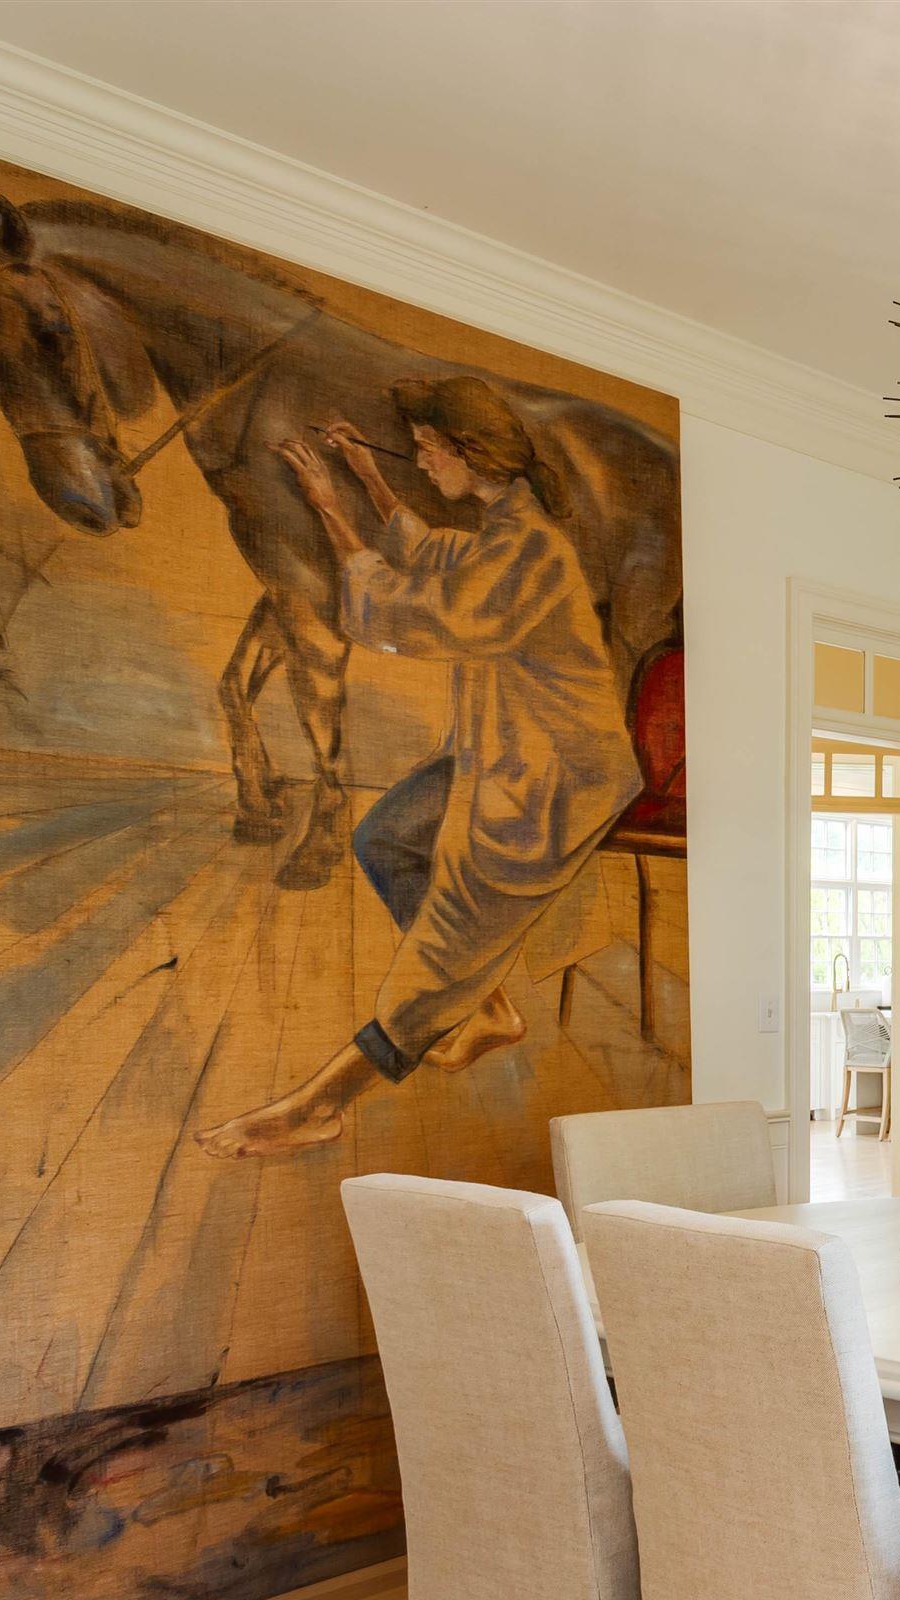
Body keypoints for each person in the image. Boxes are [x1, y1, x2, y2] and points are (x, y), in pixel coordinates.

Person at [195, 375, 640, 1160]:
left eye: (431, 449)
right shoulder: (508, 532)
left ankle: (318, 1105)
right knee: (384, 838)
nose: (424, 462)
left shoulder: (532, 550)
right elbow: (434, 553)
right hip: (506, 745)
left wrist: (330, 508)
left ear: (472, 452)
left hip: (558, 773)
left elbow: (417, 612)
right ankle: (486, 1007)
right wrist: (367, 476)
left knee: (450, 934)